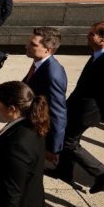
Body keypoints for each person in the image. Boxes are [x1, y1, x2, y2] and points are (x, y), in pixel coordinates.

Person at [52, 22, 104, 193]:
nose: (88, 36)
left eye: (92, 34)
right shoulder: (97, 54)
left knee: (69, 142)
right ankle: (64, 171)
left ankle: (103, 173)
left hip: (87, 111)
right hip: (77, 106)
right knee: (67, 139)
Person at [23, 27, 68, 165]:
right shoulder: (38, 62)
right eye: (29, 42)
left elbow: (58, 113)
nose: (27, 46)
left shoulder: (53, 74)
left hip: (36, 127)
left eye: (33, 44)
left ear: (48, 50)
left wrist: (53, 148)